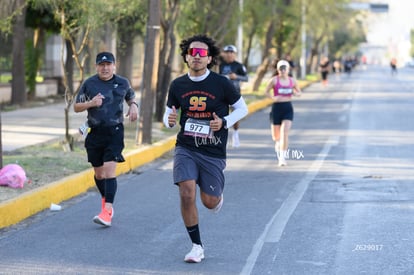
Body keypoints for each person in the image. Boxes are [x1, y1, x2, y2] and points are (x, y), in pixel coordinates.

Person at [163, 34, 248, 263]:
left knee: (209, 201)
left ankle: (216, 195)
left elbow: (242, 109)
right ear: (186, 57)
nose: (197, 57)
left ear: (210, 58)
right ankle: (196, 246)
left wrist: (224, 122)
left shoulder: (221, 83)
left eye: (202, 54)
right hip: (186, 146)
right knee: (186, 191)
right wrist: (168, 120)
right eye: (193, 53)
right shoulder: (178, 84)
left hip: (213, 150)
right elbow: (169, 112)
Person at [74, 52, 138, 227]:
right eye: (101, 65)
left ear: (114, 66)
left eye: (108, 64)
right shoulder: (89, 84)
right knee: (99, 173)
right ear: (96, 66)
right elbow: (76, 107)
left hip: (115, 132)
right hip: (94, 132)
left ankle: (107, 211)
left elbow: (131, 96)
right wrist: (91, 103)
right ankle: (105, 201)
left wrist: (133, 106)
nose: (105, 68)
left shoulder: (123, 82)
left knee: (109, 171)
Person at [264, 60, 302, 166]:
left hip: (287, 108)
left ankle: (282, 158)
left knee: (284, 132)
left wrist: (296, 93)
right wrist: (272, 98)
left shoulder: (292, 81)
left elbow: (299, 92)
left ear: (288, 69)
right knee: (276, 137)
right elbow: (265, 91)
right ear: (278, 69)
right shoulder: (274, 80)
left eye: (285, 68)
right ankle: (278, 144)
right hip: (276, 108)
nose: (283, 70)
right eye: (281, 68)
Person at [219, 45, 248, 148]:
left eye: (231, 52)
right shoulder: (221, 65)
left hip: (234, 93)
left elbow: (246, 78)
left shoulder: (239, 65)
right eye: (227, 52)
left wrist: (236, 77)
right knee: (222, 114)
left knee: (235, 114)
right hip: (221, 93)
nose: (229, 54)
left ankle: (235, 134)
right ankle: (222, 137)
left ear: (234, 54)